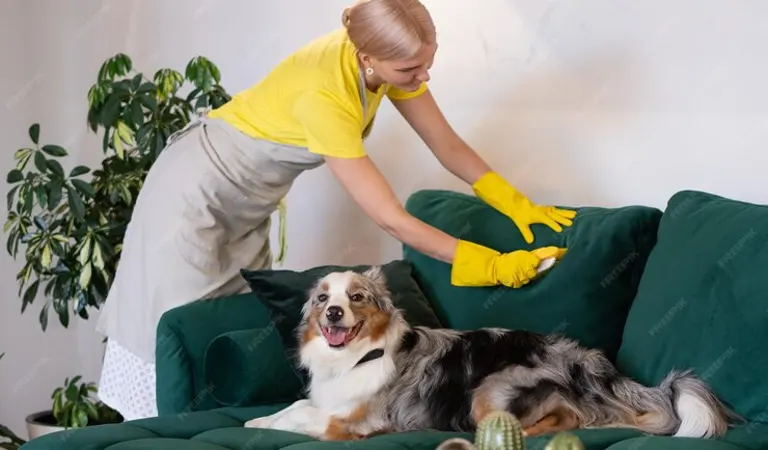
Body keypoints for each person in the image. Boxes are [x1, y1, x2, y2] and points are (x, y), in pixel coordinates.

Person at [95, 0, 576, 422]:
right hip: (192, 196)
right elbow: (388, 215)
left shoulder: (384, 58)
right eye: (411, 69)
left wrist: (517, 203)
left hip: (246, 205)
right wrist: (487, 264)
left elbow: (445, 144)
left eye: (427, 64)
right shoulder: (326, 94)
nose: (422, 77)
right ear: (368, 58)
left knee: (238, 323)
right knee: (176, 330)